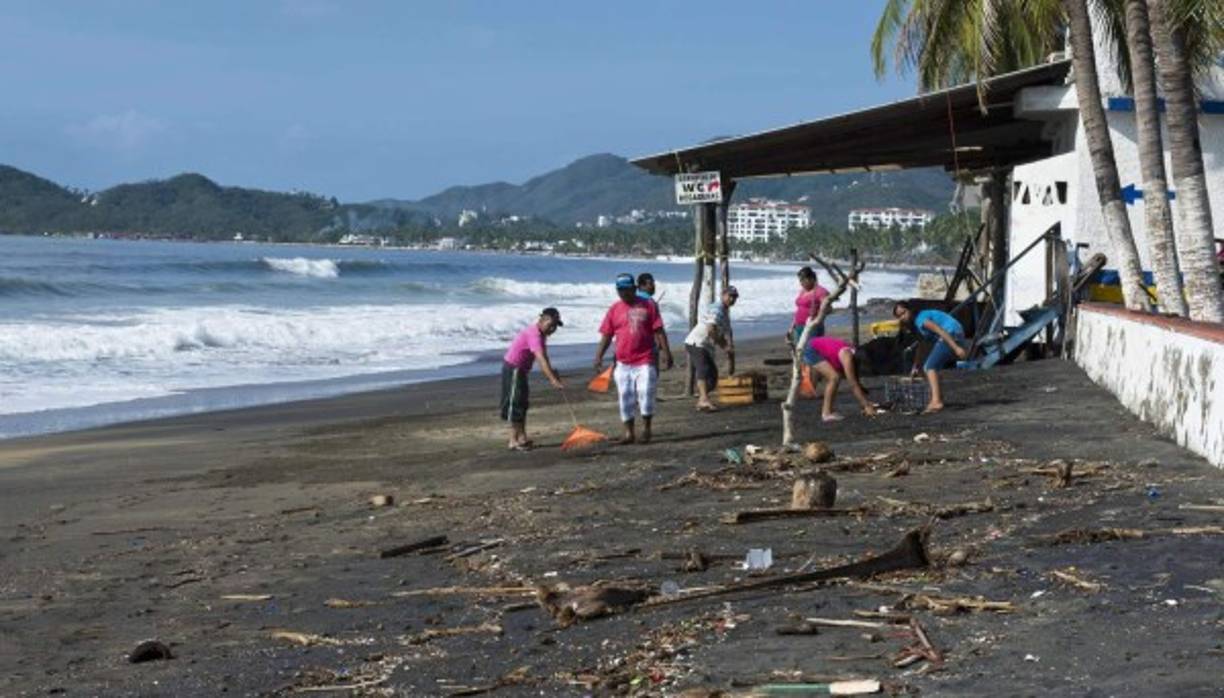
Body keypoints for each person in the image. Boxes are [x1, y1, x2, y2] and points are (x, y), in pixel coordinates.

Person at [594, 273, 673, 444]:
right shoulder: (614, 309)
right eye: (620, 290)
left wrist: (667, 352)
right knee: (625, 396)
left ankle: (646, 429)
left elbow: (658, 330)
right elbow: (607, 335)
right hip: (623, 362)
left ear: (634, 288)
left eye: (627, 290)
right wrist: (598, 355)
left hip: (645, 359)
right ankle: (628, 433)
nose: (624, 294)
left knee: (645, 393)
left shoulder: (648, 305)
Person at [500, 307, 565, 451]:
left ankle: (522, 438)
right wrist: (552, 380)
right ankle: (513, 440)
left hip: (521, 371)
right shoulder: (534, 334)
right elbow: (540, 359)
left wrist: (553, 374)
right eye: (551, 324)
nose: (553, 329)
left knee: (523, 403)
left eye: (555, 326)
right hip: (513, 368)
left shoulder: (541, 335)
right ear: (542, 320)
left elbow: (545, 356)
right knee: (515, 403)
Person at [893, 301, 968, 414]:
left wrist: (956, 348)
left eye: (903, 313)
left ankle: (936, 402)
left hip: (951, 333)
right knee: (930, 367)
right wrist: (916, 365)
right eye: (899, 316)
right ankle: (937, 398)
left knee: (930, 367)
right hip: (950, 333)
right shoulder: (916, 325)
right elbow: (921, 345)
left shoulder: (921, 320)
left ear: (910, 310)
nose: (902, 317)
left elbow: (940, 331)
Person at [683, 285, 738, 412]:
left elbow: (724, 333)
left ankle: (702, 399)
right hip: (697, 342)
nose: (732, 299)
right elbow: (711, 330)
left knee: (713, 377)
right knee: (704, 369)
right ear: (723, 295)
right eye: (730, 296)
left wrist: (728, 349)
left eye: (735, 297)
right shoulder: (717, 309)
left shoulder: (724, 312)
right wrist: (724, 345)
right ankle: (703, 399)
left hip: (706, 345)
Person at [804, 336, 877, 421]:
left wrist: (865, 402)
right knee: (834, 377)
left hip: (824, 349)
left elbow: (855, 380)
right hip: (812, 349)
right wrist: (866, 406)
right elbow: (853, 384)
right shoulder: (847, 356)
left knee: (837, 376)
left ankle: (827, 409)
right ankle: (826, 413)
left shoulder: (854, 353)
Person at [790, 266, 829, 347]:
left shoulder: (820, 291)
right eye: (800, 280)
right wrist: (792, 326)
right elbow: (799, 309)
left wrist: (817, 320)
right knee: (800, 351)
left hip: (811, 327)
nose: (801, 283)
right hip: (798, 326)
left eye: (803, 280)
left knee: (811, 352)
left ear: (811, 278)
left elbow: (828, 308)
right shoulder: (803, 291)